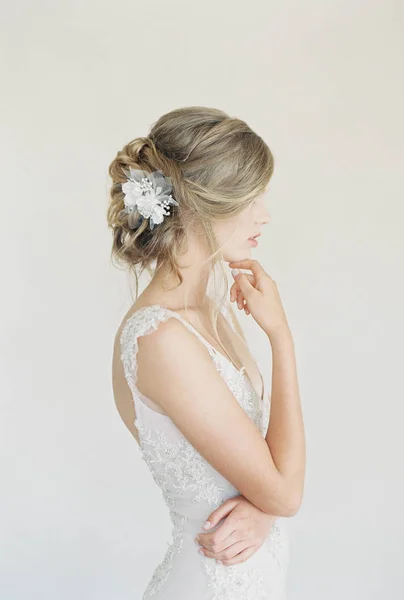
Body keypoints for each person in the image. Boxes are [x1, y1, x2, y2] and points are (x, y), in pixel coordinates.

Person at [107, 106, 306, 599]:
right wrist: (281, 337)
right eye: (251, 197)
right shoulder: (161, 338)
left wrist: (263, 510)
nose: (265, 214)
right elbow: (285, 490)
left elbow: (267, 478)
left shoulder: (213, 312)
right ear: (200, 205)